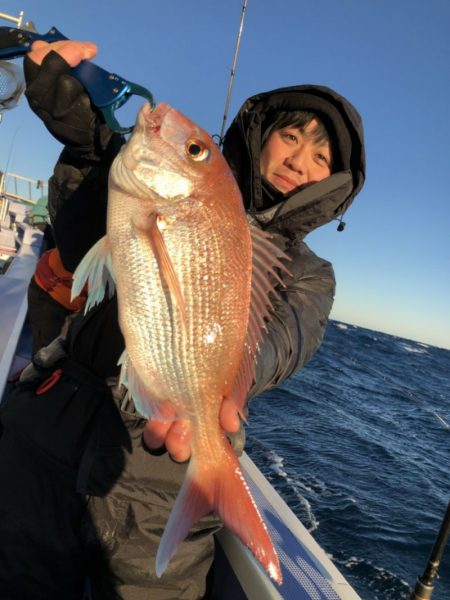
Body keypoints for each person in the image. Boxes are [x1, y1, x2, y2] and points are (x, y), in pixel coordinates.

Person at [0, 40, 365, 600]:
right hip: (46, 435)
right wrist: (87, 142)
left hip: (158, 479)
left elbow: (281, 341)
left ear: (334, 182)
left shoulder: (310, 273)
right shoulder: (160, 188)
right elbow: (77, 242)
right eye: (291, 136)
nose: (300, 160)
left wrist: (215, 391)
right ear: (262, 136)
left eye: (322, 156)